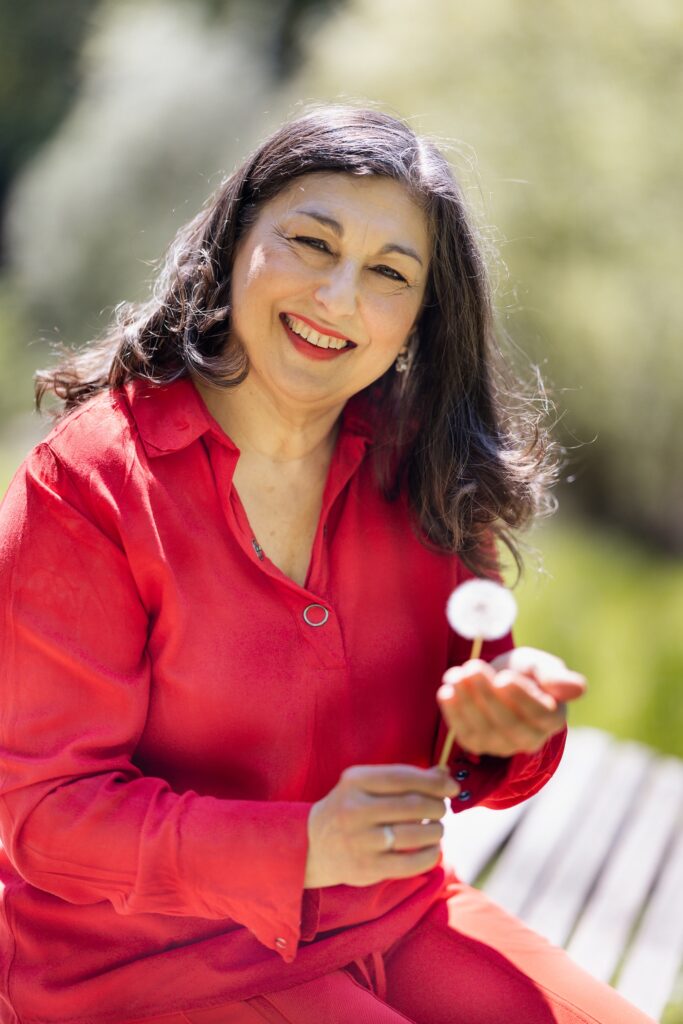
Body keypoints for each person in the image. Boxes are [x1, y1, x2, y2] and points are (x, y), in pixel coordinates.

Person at [0, 106, 652, 1024]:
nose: (338, 297)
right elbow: (48, 818)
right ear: (235, 243)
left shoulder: (423, 467)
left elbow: (474, 718)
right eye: (310, 243)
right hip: (141, 967)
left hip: (390, 915)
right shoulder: (88, 486)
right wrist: (303, 843)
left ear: (421, 317)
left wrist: (509, 724)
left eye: (389, 273)